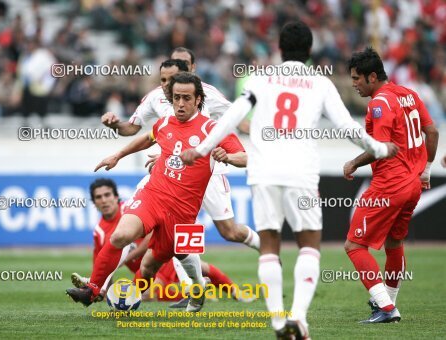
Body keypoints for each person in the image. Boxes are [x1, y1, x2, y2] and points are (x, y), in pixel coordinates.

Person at [181, 21, 398, 339]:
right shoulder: (319, 83)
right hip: (301, 173)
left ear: (279, 49)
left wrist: (201, 148)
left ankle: (279, 323)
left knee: (269, 246)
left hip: (263, 172)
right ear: (310, 51)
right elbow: (347, 127)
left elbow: (233, 115)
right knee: (309, 246)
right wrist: (380, 148)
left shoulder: (262, 78)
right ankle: (298, 317)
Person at [66, 72, 247, 312]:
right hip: (154, 195)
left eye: (186, 98)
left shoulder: (214, 129)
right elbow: (146, 139)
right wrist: (118, 155)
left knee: (153, 265)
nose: (180, 104)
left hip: (182, 212)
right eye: (176, 98)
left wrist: (229, 157)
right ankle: (93, 290)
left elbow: (245, 157)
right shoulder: (164, 123)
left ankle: (196, 289)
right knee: (120, 235)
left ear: (198, 100)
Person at [101, 48, 260, 251]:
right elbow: (133, 129)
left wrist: (261, 140)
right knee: (136, 222)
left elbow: (237, 119)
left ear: (191, 69)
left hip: (207, 172)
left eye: (181, 67)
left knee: (229, 232)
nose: (169, 83)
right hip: (168, 173)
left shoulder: (207, 94)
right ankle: (99, 280)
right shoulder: (154, 97)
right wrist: (115, 126)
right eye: (165, 78)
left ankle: (266, 249)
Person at [343, 47, 439, 323]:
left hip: (390, 184)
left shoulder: (379, 103)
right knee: (393, 242)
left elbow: (381, 147)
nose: (354, 84)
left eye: (357, 79)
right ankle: (388, 304)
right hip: (412, 184)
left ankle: (385, 307)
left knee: (354, 245)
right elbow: (431, 132)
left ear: (372, 77)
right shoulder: (409, 94)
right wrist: (427, 170)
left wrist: (353, 163)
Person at [71, 178, 255, 303]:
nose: (104, 200)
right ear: (93, 202)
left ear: (116, 196)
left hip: (158, 258)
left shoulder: (131, 210)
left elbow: (153, 234)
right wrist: (102, 291)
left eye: (107, 195)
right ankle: (197, 290)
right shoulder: (99, 232)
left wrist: (126, 258)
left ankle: (236, 293)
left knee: (199, 265)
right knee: (150, 293)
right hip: (146, 274)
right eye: (98, 197)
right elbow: (102, 268)